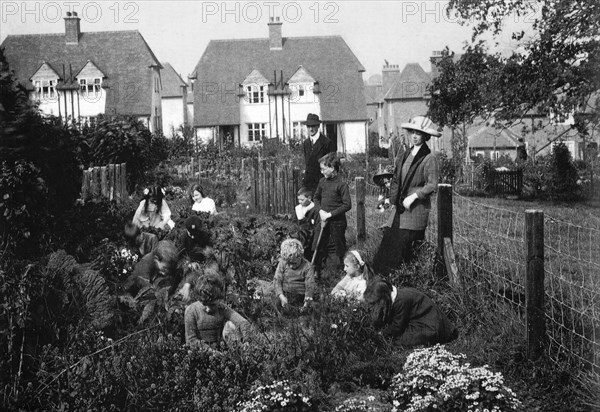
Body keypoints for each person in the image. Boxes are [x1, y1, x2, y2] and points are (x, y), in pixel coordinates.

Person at [373, 116, 440, 273]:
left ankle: (404, 284)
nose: (415, 136)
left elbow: (432, 184)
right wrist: (391, 199)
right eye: (413, 132)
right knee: (387, 249)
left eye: (419, 133)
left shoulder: (429, 158)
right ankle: (383, 282)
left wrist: (415, 196)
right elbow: (397, 179)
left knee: (405, 253)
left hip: (415, 211)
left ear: (426, 136)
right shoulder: (405, 154)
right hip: (399, 211)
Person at [363, 278, 458, 347]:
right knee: (400, 337)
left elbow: (397, 326)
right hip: (421, 319)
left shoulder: (400, 301)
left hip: (431, 325)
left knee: (399, 340)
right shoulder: (395, 297)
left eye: (375, 303)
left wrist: (382, 334)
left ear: (383, 300)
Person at [184, 270, 251, 350]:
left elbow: (242, 322)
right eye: (205, 305)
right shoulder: (192, 310)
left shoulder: (221, 308)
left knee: (230, 325)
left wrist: (246, 340)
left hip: (221, 350)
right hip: (199, 353)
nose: (208, 309)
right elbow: (191, 340)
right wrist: (211, 352)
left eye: (213, 305)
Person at [313, 152, 352, 273]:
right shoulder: (322, 182)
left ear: (332, 168)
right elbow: (316, 198)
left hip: (337, 223)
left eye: (324, 169)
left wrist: (330, 214)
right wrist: (320, 211)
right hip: (322, 221)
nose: (321, 172)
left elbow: (347, 205)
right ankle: (316, 272)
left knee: (337, 248)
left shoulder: (341, 185)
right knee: (317, 246)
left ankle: (336, 273)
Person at [272, 238, 316, 312]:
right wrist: (281, 296)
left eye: (293, 263)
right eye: (289, 264)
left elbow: (310, 285)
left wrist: (306, 302)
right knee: (275, 304)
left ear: (300, 257)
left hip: (301, 296)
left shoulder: (307, 266)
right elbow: (277, 280)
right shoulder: (282, 263)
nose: (291, 266)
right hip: (285, 294)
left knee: (310, 309)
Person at [302, 113, 335, 192]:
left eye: (313, 126)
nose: (311, 129)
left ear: (318, 126)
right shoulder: (306, 143)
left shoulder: (327, 143)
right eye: (308, 126)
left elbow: (332, 165)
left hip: (322, 183)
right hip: (308, 183)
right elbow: (307, 163)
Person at [293, 187, 319, 260]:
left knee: (309, 255)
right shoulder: (298, 209)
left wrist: (304, 220)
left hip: (310, 237)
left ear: (309, 198)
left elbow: (315, 226)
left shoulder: (314, 210)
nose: (300, 202)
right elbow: (294, 221)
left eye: (302, 199)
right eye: (298, 199)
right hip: (299, 236)